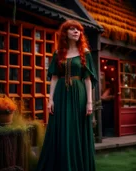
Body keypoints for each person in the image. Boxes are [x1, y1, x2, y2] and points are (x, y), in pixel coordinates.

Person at [36, 20, 97, 171]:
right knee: (61, 128)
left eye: (79, 30)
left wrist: (90, 102)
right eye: (72, 29)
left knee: (77, 128)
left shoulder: (85, 53)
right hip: (61, 95)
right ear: (65, 33)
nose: (77, 32)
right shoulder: (58, 53)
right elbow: (54, 77)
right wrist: (50, 100)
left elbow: (88, 79)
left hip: (79, 95)